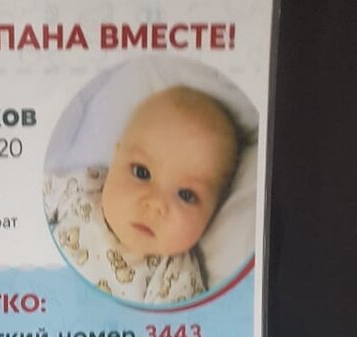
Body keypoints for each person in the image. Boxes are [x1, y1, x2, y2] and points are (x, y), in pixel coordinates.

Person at [45, 85, 242, 304]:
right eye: (142, 173)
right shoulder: (84, 187)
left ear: (214, 212)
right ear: (116, 158)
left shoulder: (174, 275)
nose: (155, 204)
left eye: (186, 195)